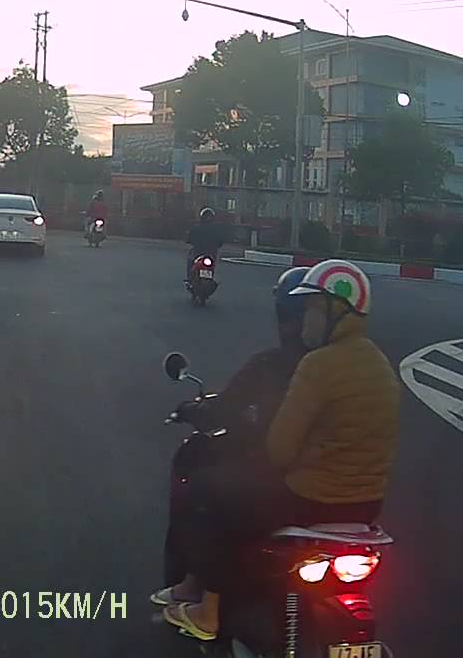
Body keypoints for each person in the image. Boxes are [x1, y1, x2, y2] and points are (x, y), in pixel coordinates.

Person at [159, 260, 400, 641]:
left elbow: (280, 450)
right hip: (367, 506)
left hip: (312, 498)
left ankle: (208, 611)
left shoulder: (319, 365)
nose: (307, 321)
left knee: (209, 491)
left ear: (338, 311)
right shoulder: (381, 366)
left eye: (315, 309)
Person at [150, 267, 309, 607]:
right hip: (346, 490)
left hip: (290, 479)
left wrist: (191, 410)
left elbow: (226, 408)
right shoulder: (354, 368)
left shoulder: (275, 365)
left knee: (204, 491)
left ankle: (200, 593)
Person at [185, 207, 224, 284]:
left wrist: (190, 241)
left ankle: (190, 279)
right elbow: (221, 242)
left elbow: (188, 239)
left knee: (190, 260)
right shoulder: (216, 229)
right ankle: (210, 278)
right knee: (212, 264)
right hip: (211, 253)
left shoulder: (196, 228)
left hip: (198, 252)